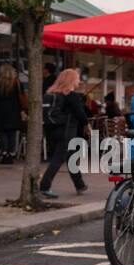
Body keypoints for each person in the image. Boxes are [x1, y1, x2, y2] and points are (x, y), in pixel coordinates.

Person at [38, 68, 88, 198]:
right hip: (67, 131)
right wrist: (86, 124)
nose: (79, 80)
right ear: (71, 80)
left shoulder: (52, 93)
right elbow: (80, 114)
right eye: (77, 78)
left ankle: (80, 185)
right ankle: (44, 186)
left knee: (70, 157)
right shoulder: (72, 95)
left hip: (52, 131)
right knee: (58, 159)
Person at [0, 65, 27, 165]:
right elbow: (22, 96)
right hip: (14, 110)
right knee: (12, 133)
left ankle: (4, 152)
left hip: (1, 110)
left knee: (3, 133)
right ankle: (11, 153)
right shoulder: (17, 83)